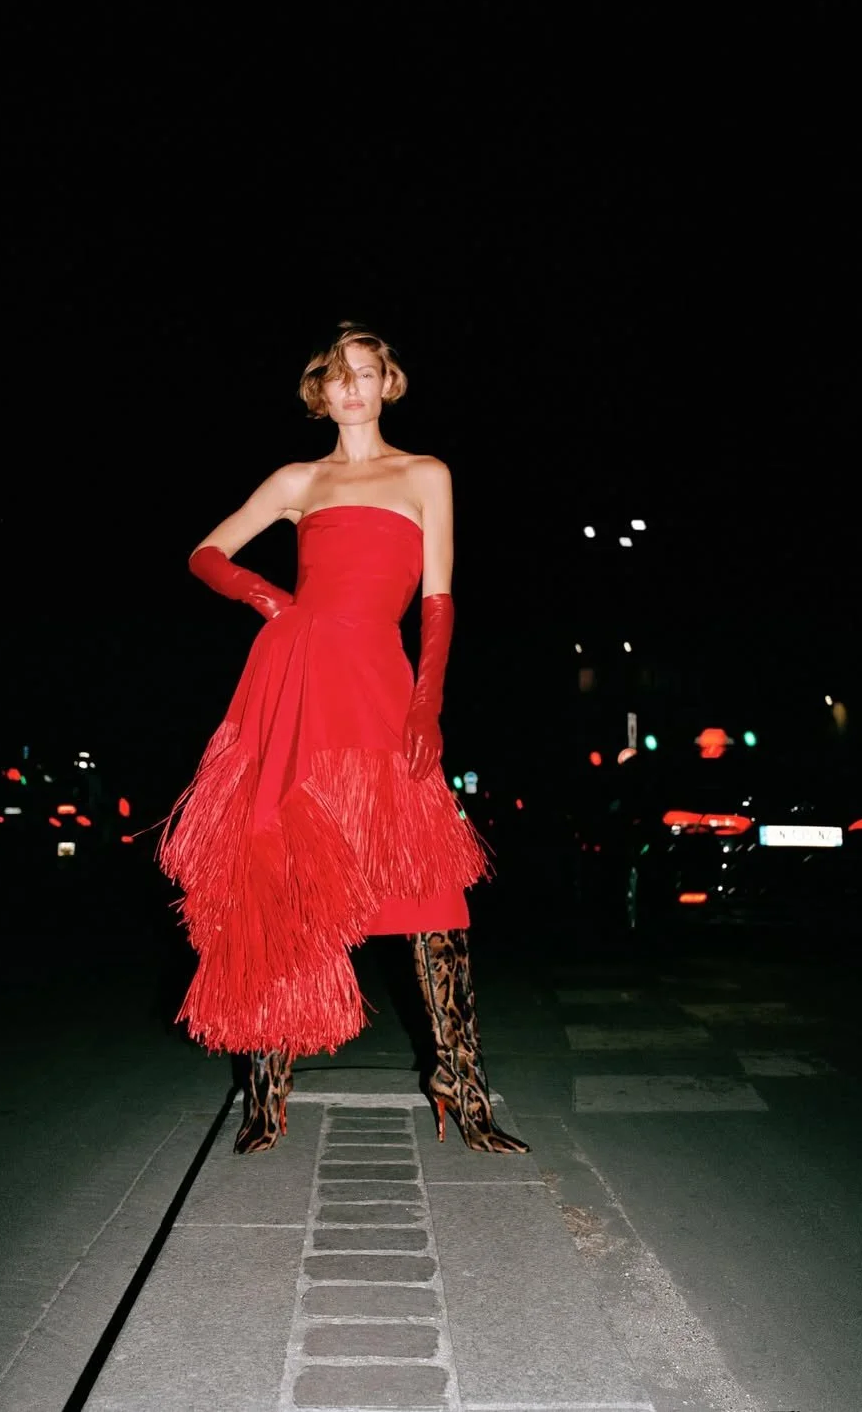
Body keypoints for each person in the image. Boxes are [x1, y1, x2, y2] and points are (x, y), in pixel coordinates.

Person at [158, 320, 528, 1156]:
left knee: (431, 885)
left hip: (380, 682)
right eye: (338, 375)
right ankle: (266, 1091)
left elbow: (438, 599)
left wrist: (427, 702)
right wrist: (270, 600)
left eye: (366, 372)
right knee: (283, 873)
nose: (353, 386)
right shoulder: (300, 479)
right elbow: (206, 553)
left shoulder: (425, 473)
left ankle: (462, 1084)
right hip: (295, 678)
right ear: (319, 392)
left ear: (388, 383)